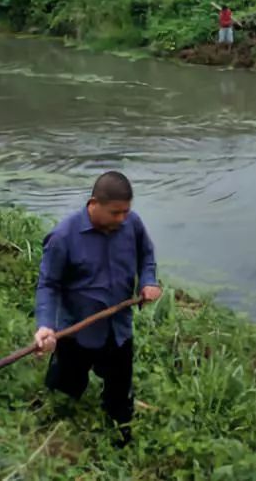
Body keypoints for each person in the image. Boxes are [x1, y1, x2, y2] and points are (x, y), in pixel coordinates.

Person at [33, 171, 162, 446]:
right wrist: (46, 325)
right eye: (116, 213)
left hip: (118, 331)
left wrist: (148, 282)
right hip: (77, 333)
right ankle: (53, 437)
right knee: (63, 394)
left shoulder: (132, 225)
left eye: (126, 212)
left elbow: (147, 256)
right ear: (94, 203)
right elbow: (48, 285)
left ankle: (120, 441)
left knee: (119, 397)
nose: (122, 219)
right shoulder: (63, 237)